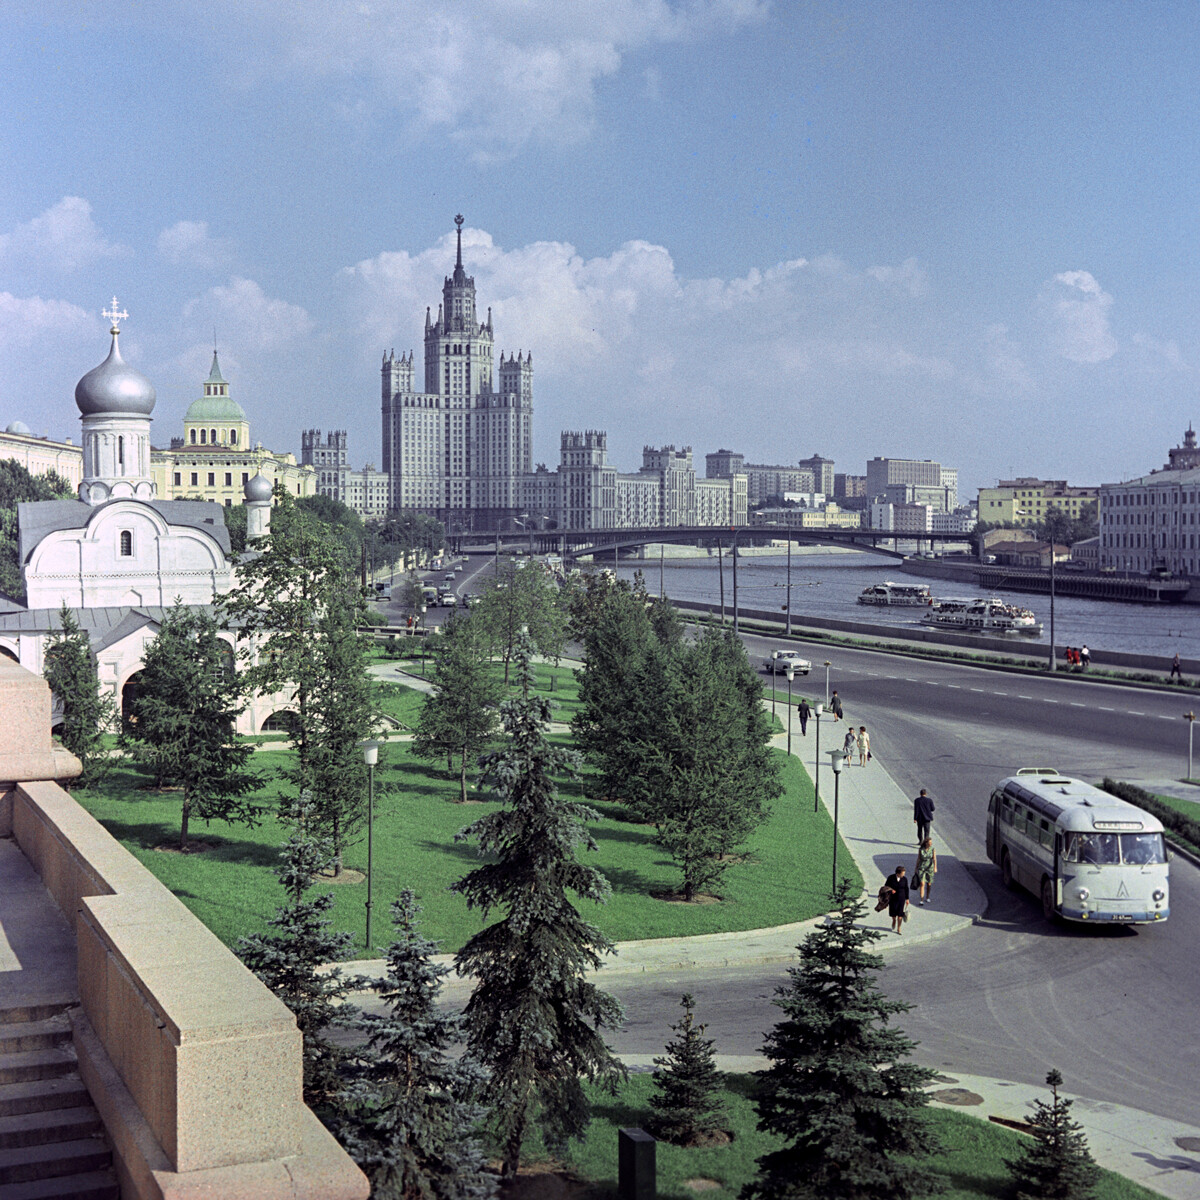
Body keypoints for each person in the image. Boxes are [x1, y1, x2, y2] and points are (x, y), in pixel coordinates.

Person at [884, 865, 910, 934]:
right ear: (898, 873)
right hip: (892, 899)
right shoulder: (891, 878)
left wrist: (907, 899)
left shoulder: (905, 879)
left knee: (900, 914)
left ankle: (899, 928)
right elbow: (886, 887)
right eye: (902, 873)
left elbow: (906, 889)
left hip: (901, 898)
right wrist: (891, 890)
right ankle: (893, 920)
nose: (903, 875)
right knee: (893, 913)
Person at [914, 837, 937, 904]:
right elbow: (918, 859)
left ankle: (927, 897)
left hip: (929, 868)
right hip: (922, 867)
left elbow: (934, 859)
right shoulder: (921, 849)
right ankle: (921, 899)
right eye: (929, 842)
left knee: (929, 883)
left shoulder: (932, 849)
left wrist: (935, 867)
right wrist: (916, 868)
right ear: (926, 843)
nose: (931, 844)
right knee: (922, 883)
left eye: (931, 843)